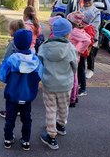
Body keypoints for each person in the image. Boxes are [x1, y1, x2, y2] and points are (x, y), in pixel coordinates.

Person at [0, 29, 42, 151]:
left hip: (12, 95)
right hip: (28, 95)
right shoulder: (36, 60)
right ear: (29, 43)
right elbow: (40, 76)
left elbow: (2, 76)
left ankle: (8, 139)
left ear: (16, 43)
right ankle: (26, 141)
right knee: (27, 118)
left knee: (10, 118)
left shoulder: (11, 60)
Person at [38, 18, 77, 150]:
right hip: (65, 84)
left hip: (49, 83)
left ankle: (51, 136)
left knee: (50, 109)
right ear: (68, 33)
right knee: (63, 106)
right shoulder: (71, 48)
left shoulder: (44, 46)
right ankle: (61, 125)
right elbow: (74, 66)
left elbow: (40, 63)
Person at [0, 19, 25, 118]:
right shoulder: (25, 41)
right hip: (23, 70)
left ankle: (9, 111)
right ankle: (19, 109)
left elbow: (7, 57)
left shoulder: (13, 43)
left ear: (13, 31)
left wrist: (3, 65)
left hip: (13, 72)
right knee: (19, 90)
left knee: (11, 92)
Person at [66, 11, 91, 107]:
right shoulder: (79, 30)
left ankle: (71, 98)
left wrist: (76, 50)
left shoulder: (74, 31)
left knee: (71, 78)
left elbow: (87, 40)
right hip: (75, 57)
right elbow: (87, 37)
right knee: (74, 78)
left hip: (72, 57)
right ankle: (73, 97)